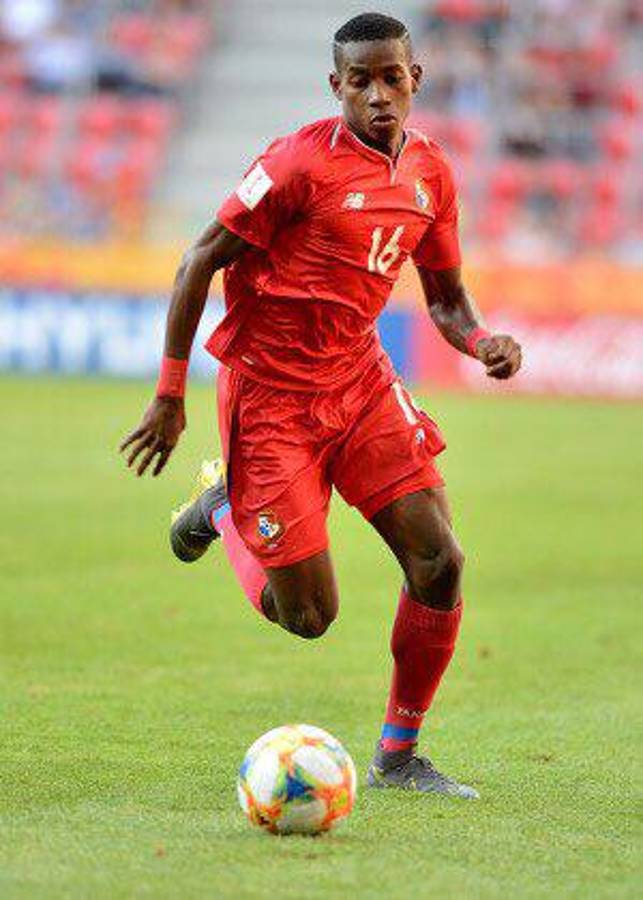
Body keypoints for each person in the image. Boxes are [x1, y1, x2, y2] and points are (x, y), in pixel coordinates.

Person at [120, 12, 522, 799]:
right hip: (272, 396)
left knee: (440, 561)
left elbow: (446, 300)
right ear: (335, 86)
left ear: (415, 79)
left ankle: (398, 757)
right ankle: (225, 509)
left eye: (391, 77)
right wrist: (169, 393)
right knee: (306, 617)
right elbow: (198, 260)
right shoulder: (295, 164)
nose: (377, 95)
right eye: (359, 81)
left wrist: (480, 342)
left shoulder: (431, 172)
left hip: (360, 382)